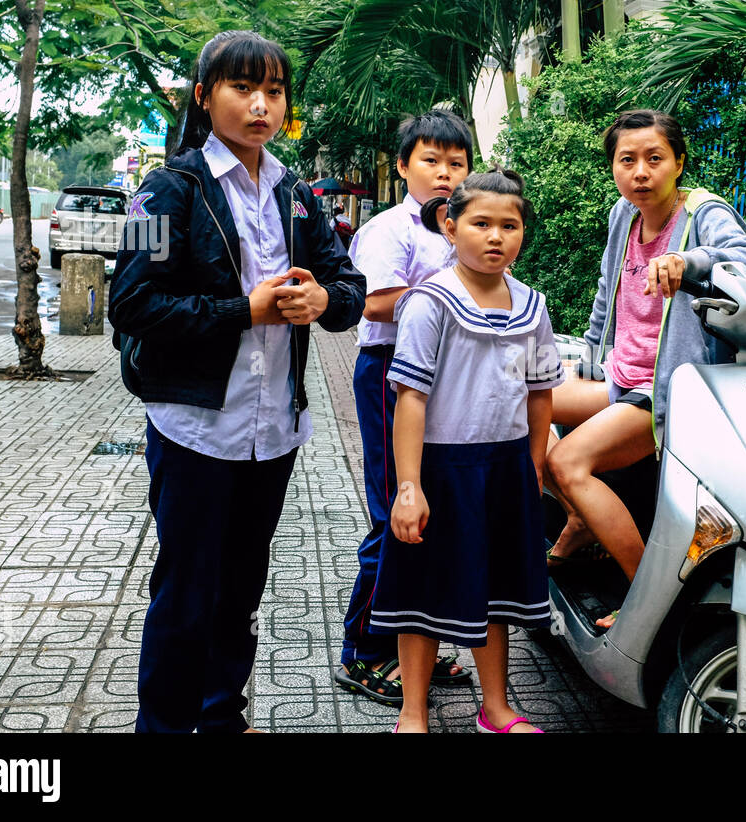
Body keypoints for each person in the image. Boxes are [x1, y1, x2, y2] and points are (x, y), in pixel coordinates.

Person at [108, 30, 366, 733]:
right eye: (242, 88)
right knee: (185, 594)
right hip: (194, 427)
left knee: (240, 590)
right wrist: (240, 311)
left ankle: (222, 717)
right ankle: (162, 727)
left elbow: (349, 284)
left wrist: (325, 303)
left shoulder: (298, 194)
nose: (260, 104)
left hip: (272, 431)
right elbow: (129, 303)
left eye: (274, 91)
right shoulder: (161, 191)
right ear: (204, 96)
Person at [544, 109, 746, 628]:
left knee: (567, 464)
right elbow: (610, 293)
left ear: (679, 163)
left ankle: (649, 599)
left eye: (654, 159)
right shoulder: (623, 214)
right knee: (518, 405)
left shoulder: (703, 214)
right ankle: (579, 518)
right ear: (615, 168)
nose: (640, 172)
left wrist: (689, 263)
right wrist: (593, 363)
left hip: (670, 389)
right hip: (620, 375)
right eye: (628, 160)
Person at [373, 168, 562, 733]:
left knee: (498, 590)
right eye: (481, 223)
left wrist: (533, 465)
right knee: (422, 590)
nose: (496, 236)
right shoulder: (430, 301)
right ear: (450, 227)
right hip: (440, 468)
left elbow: (540, 393)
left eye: (510, 225)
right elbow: (410, 398)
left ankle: (497, 708)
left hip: (504, 467)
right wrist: (409, 486)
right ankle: (412, 713)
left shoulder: (532, 304)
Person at [333, 109, 475, 705]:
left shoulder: (463, 225)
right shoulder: (392, 229)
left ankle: (416, 649)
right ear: (402, 166)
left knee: (434, 516)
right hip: (392, 376)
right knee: (396, 510)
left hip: (447, 380)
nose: (445, 174)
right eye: (431, 161)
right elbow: (376, 304)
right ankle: (365, 651)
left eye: (457, 163)